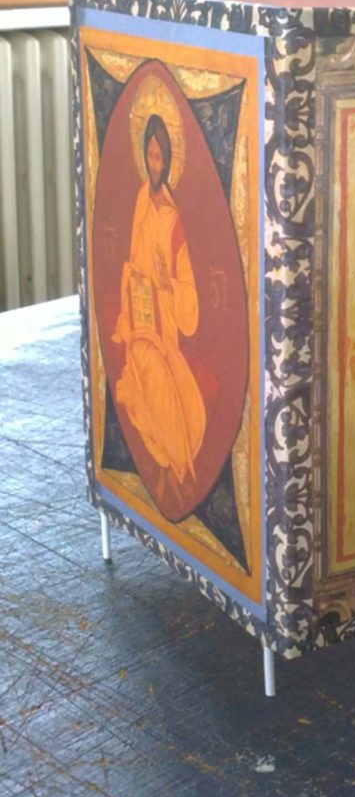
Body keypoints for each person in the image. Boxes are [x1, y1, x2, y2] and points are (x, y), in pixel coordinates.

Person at [111, 113, 207, 509]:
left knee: (162, 384)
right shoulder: (140, 200)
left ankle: (178, 469)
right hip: (138, 312)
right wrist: (134, 276)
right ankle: (171, 467)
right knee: (140, 382)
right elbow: (134, 255)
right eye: (149, 156)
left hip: (164, 321)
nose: (154, 164)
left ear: (167, 160)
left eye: (160, 157)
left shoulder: (172, 217)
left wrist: (166, 284)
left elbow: (187, 288)